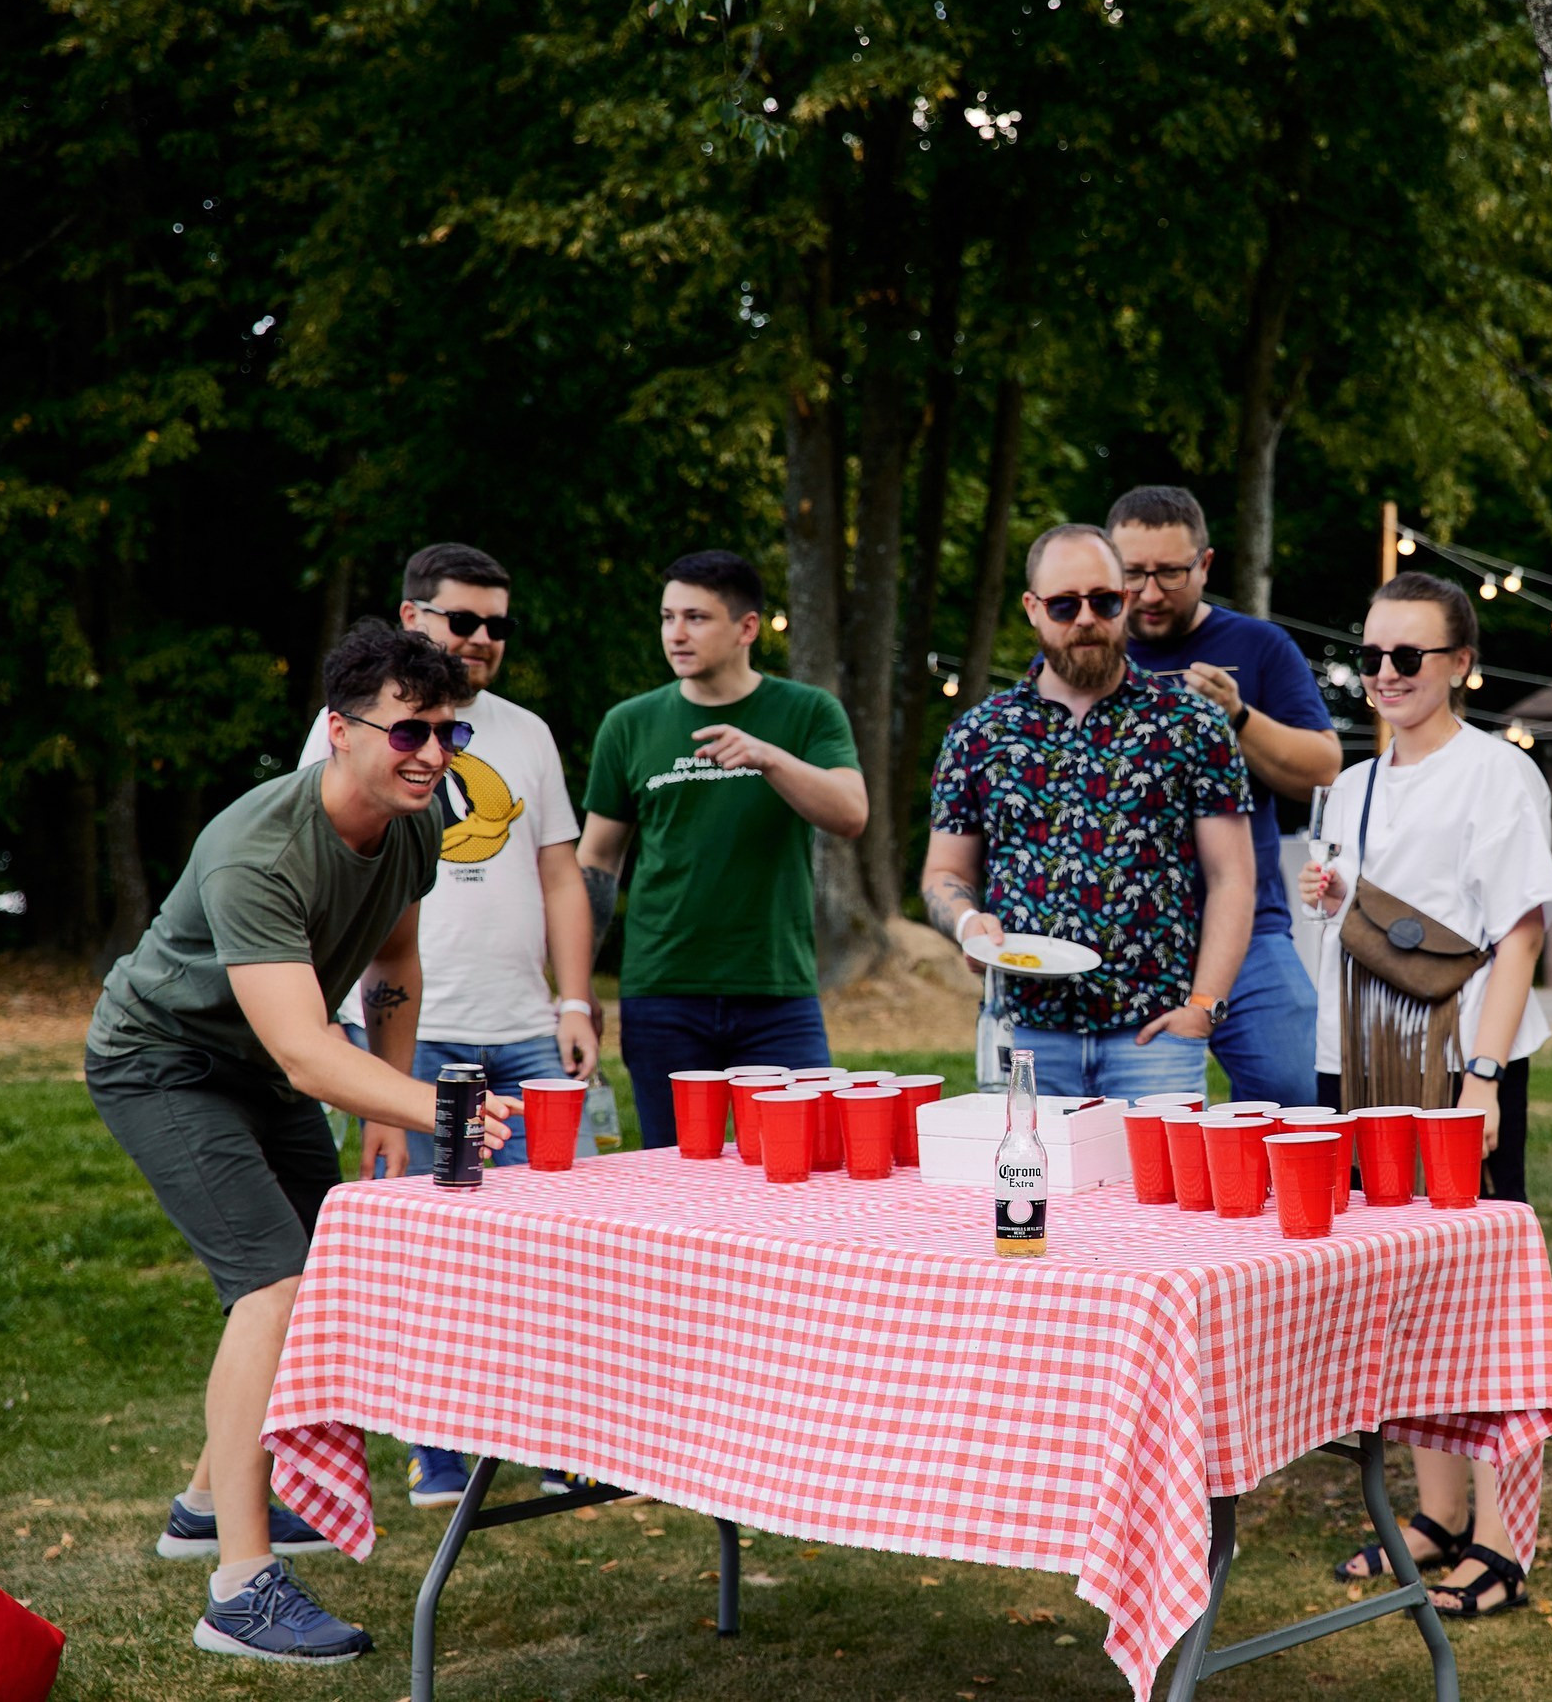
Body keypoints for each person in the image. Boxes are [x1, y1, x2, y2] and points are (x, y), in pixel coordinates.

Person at [86, 623, 515, 1665]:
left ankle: (203, 1506)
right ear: (340, 730)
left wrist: (388, 1108)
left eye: (448, 732)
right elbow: (305, 1050)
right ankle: (239, 1590)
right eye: (408, 730)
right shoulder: (259, 848)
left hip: (267, 1067)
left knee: (322, 1277)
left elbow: (394, 958)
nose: (432, 753)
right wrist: (435, 1106)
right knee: (274, 1283)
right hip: (165, 1061)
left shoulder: (417, 820)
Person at [292, 543, 595, 1506]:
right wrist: (331, 1022)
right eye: (463, 619)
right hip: (407, 1038)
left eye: (497, 624)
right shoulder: (351, 733)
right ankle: (439, 1447)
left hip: (524, 1026)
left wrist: (574, 1000)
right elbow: (312, 870)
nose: (482, 638)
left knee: (558, 1241)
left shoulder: (529, 733)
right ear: (412, 617)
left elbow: (560, 874)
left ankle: (559, 1431)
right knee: (427, 1249)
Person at [1300, 571, 1552, 1620]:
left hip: (1457, 1060)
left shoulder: (1498, 774)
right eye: (1370, 655)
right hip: (1355, 1058)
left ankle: (1502, 1539)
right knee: (1400, 1291)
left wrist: (1483, 1079)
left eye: (1408, 656)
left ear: (1460, 663)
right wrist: (1335, 895)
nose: (1385, 673)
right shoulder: (1354, 783)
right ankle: (1437, 1513)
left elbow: (1520, 933)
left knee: (1480, 1292)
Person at [919, 524, 1254, 1099]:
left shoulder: (1192, 724)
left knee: (1160, 1168)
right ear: (1032, 608)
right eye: (1063, 605)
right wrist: (968, 924)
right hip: (1023, 1033)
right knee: (1024, 1165)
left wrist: (1204, 1008)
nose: (1085, 619)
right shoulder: (978, 733)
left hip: (1155, 1036)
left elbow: (1233, 878)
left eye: (1103, 601)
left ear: (1125, 600)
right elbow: (944, 871)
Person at [577, 551, 866, 1145]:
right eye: (668, 617)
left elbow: (850, 813)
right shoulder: (629, 724)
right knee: (676, 1171)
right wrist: (577, 991)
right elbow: (597, 860)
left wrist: (768, 757)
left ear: (747, 627)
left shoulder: (807, 711)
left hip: (776, 992)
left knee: (801, 1164)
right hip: (662, 993)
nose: (676, 634)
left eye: (696, 618)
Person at [1112, 486, 1342, 1105]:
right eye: (1133, 574)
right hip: (1126, 936)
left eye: (1171, 573)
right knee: (1123, 1121)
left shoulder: (1260, 647)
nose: (1151, 593)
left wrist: (1238, 717)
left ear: (1206, 564)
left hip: (1250, 929)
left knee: (1301, 1090)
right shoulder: (1087, 649)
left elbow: (1324, 769)